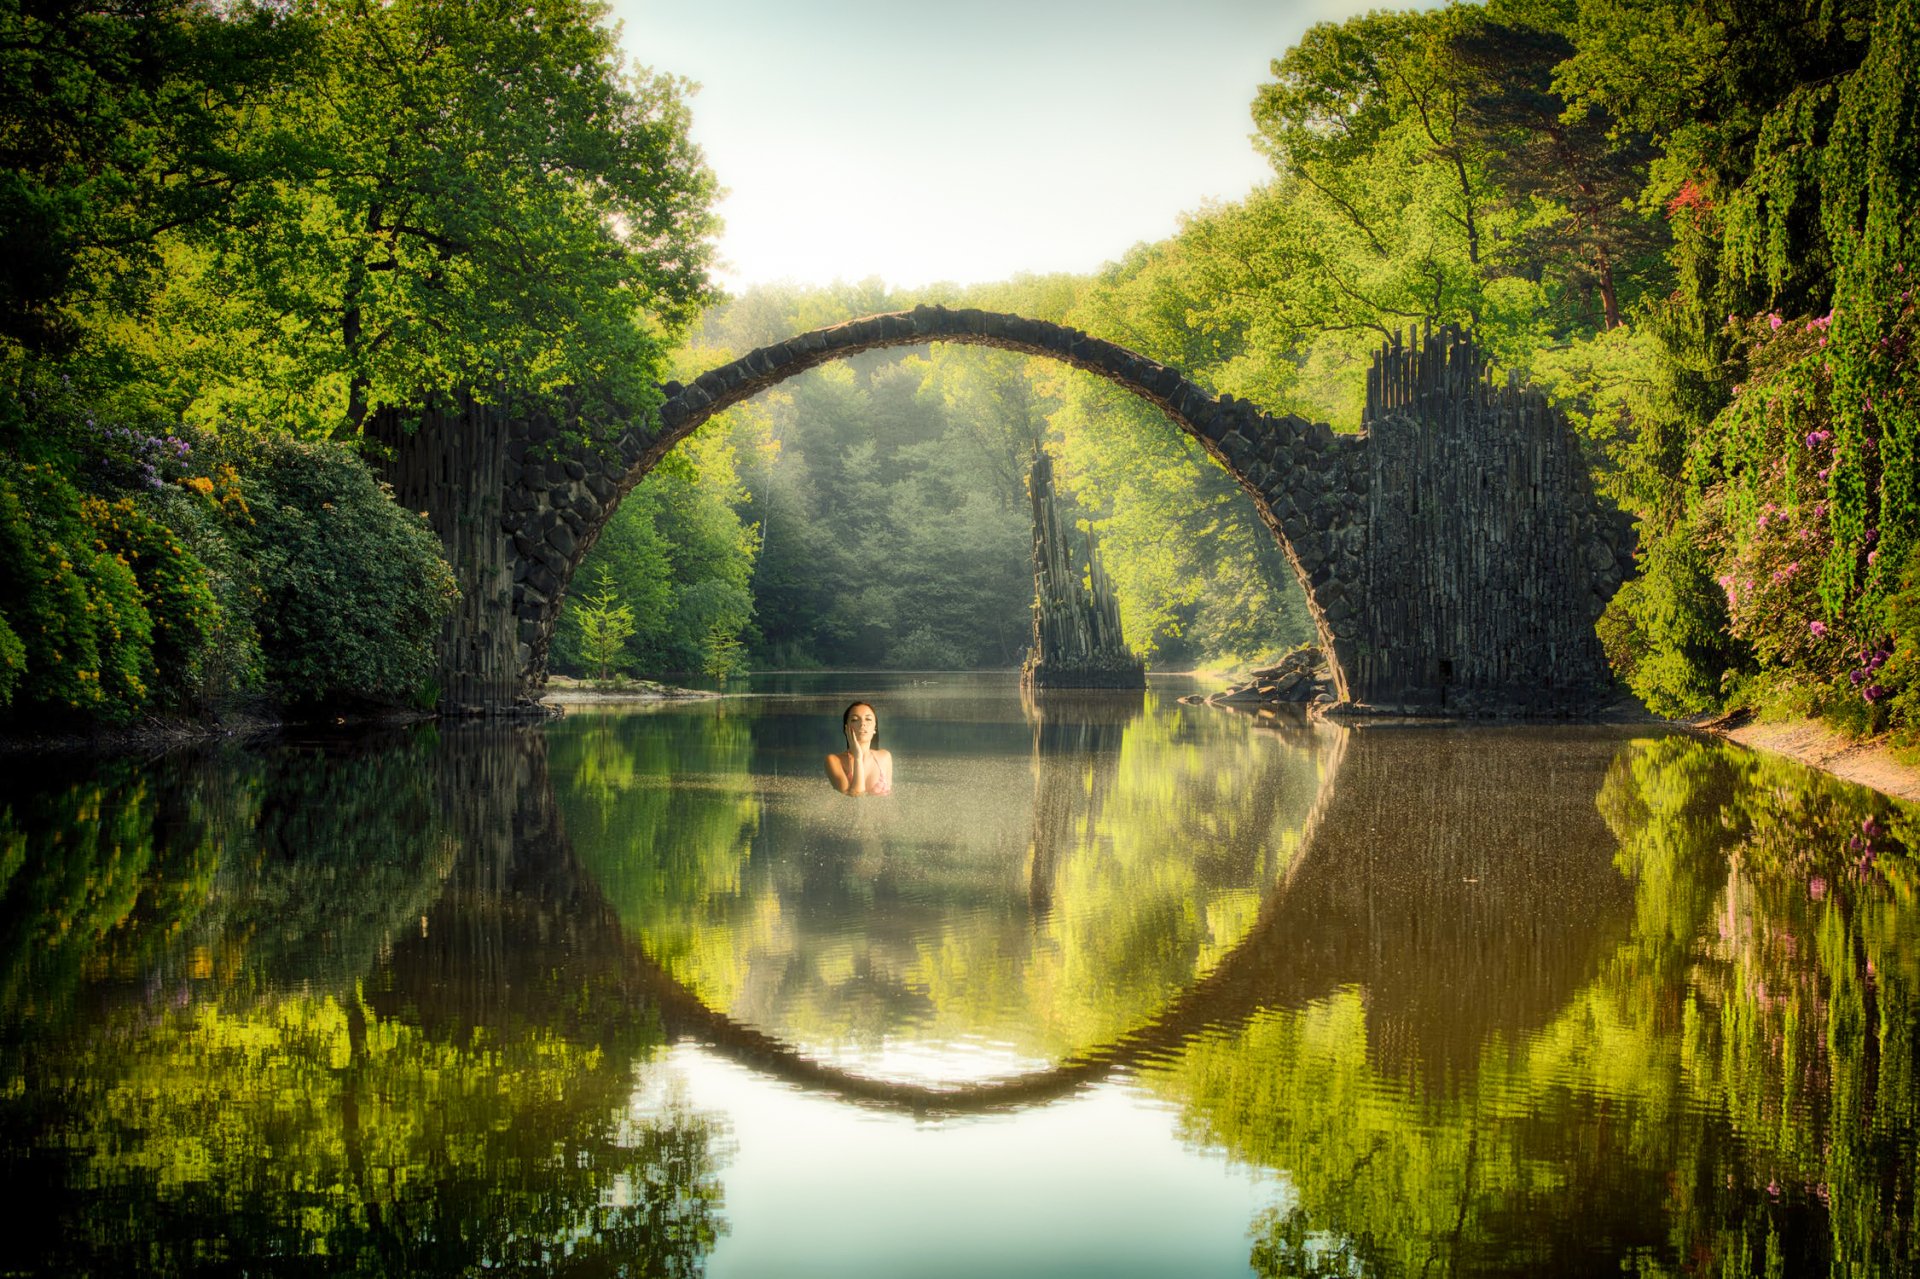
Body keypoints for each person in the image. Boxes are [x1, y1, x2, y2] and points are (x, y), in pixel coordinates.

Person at [826, 701, 892, 796]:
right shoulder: (833, 760)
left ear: (875, 728)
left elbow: (889, 799)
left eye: (868, 719)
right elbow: (856, 796)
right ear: (846, 728)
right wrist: (858, 757)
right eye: (855, 719)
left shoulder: (885, 756)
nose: (862, 724)